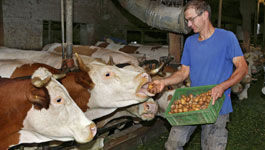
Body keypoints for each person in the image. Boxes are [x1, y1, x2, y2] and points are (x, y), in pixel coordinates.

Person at [149, 0, 248, 149]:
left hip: (217, 104)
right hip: (192, 102)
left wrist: (223, 86)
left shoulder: (227, 38)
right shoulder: (190, 42)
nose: (188, 24)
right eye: (187, 20)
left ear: (205, 15)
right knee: (172, 144)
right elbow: (183, 72)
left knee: (212, 146)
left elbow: (242, 68)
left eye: (191, 19)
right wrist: (164, 82)